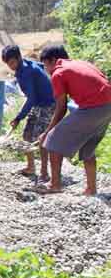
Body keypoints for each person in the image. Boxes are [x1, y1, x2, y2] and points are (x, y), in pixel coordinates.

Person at [38, 45, 111, 196]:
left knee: (52, 140)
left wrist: (48, 131)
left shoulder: (58, 72)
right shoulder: (82, 64)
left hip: (93, 107)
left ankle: (55, 184)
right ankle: (91, 189)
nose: (46, 70)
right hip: (107, 106)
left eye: (45, 65)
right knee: (88, 147)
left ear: (53, 60)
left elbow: (61, 107)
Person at [1, 44, 56, 180]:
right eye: (8, 64)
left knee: (41, 138)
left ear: (18, 58)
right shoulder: (24, 66)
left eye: (12, 62)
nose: (11, 66)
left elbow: (31, 98)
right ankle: (31, 167)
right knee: (27, 134)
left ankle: (44, 172)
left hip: (47, 104)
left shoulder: (27, 71)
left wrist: (19, 117)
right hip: (38, 103)